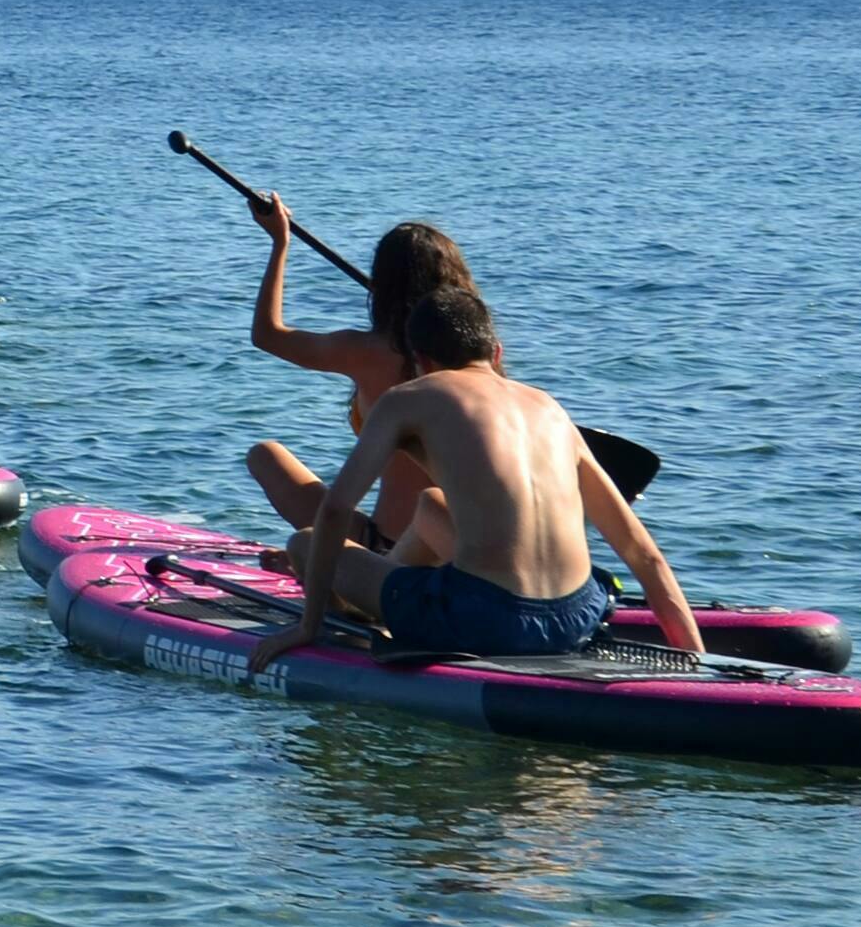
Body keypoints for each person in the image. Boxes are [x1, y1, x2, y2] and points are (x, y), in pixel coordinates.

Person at [236, 284, 702, 664]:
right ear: (495, 352)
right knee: (432, 505)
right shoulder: (550, 408)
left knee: (306, 541)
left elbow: (336, 509)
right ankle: (384, 583)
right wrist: (696, 665)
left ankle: (349, 619)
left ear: (420, 361)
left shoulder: (408, 398)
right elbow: (645, 556)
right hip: (579, 614)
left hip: (488, 620)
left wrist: (306, 626)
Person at [238, 200, 475, 560]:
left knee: (264, 456)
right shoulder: (478, 364)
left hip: (386, 548)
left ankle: (325, 561)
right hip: (462, 551)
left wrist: (279, 244)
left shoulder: (367, 350)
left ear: (383, 286)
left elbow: (267, 335)